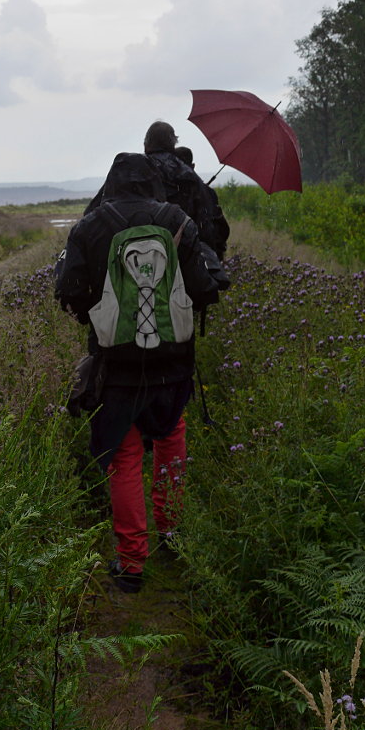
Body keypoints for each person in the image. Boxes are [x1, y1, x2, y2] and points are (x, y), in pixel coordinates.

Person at [55, 152, 228, 593]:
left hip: (116, 364)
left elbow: (67, 289)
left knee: (125, 455)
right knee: (171, 437)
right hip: (174, 362)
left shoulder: (92, 225)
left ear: (112, 183)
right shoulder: (177, 219)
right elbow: (208, 286)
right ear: (152, 181)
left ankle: (132, 563)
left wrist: (97, 314)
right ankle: (173, 535)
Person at [85, 121, 230, 260]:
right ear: (173, 144)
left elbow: (92, 214)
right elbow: (208, 226)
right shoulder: (190, 176)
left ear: (146, 144)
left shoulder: (130, 171)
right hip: (180, 257)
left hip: (129, 256)